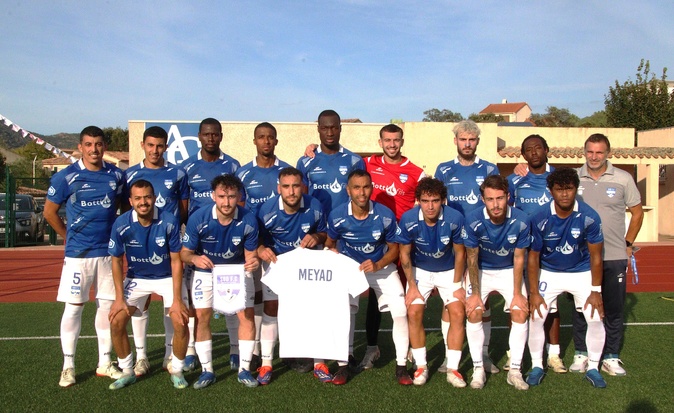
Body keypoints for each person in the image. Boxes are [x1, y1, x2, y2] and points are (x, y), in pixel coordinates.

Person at [44, 126, 125, 387]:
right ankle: (68, 366)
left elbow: (121, 208)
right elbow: (49, 212)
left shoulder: (116, 175)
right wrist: (67, 236)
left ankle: (105, 362)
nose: (94, 149)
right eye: (88, 144)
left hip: (108, 253)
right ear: (80, 147)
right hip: (78, 255)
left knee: (107, 307)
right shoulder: (66, 177)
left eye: (98, 144)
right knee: (74, 307)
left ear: (104, 147)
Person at [325, 170, 412, 386]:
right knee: (343, 311)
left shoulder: (384, 214)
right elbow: (329, 243)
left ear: (372, 188)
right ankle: (344, 364)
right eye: (356, 187)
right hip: (350, 269)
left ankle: (401, 366)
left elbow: (394, 249)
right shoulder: (337, 215)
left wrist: (378, 264)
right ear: (348, 190)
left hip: (380, 266)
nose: (362, 193)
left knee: (400, 310)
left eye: (366, 187)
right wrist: (331, 253)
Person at [526, 168, 607, 388]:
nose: (564, 194)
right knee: (537, 316)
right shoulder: (539, 217)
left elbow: (596, 256)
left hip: (580, 271)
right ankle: (537, 365)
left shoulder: (589, 216)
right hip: (549, 272)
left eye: (569, 189)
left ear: (576, 189)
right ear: (550, 191)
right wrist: (533, 292)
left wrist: (596, 291)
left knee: (595, 316)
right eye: (559, 189)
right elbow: (533, 257)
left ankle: (593, 368)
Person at [570, 134, 643, 376]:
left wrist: (628, 243)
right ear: (584, 152)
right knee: (582, 308)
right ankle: (581, 353)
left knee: (613, 308)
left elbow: (637, 212)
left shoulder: (623, 178)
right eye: (590, 151)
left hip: (613, 255)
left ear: (608, 153)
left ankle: (611, 356)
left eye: (599, 152)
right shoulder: (574, 177)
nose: (594, 157)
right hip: (582, 258)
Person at [107, 180, 189, 390]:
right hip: (137, 278)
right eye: (138, 198)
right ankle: (127, 371)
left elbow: (176, 260)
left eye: (147, 197)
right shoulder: (121, 223)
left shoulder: (169, 221)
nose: (143, 202)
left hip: (167, 277)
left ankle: (177, 370)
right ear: (130, 201)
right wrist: (119, 299)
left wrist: (177, 300)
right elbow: (116, 261)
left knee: (180, 320)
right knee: (116, 321)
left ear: (154, 198)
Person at [181, 174, 260, 389]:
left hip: (236, 271)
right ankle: (207, 370)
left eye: (232, 196)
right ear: (213, 196)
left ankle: (244, 369)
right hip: (206, 273)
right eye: (222, 196)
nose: (226, 202)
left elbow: (251, 255)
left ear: (239, 196)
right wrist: (195, 258)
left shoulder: (248, 220)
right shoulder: (198, 218)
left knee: (246, 316)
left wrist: (253, 262)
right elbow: (185, 253)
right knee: (202, 317)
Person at [433, 120, 501, 373]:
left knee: (482, 300)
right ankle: (449, 355)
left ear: (477, 142)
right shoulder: (444, 169)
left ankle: (484, 354)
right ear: (456, 141)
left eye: (472, 139)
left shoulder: (490, 168)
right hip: (453, 243)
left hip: (482, 242)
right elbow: (438, 204)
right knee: (451, 300)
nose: (467, 144)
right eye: (463, 139)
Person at [122, 126, 189, 376]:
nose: (155, 150)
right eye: (150, 145)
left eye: (160, 145)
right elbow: (127, 210)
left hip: (169, 248)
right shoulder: (130, 174)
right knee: (142, 302)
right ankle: (141, 357)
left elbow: (183, 209)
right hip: (141, 248)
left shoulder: (178, 173)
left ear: (166, 147)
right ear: (143, 145)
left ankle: (169, 354)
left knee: (172, 306)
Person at [359, 124, 426, 371]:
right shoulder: (367, 163)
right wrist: (312, 149)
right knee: (374, 299)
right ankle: (372, 347)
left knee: (406, 297)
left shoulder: (416, 172)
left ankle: (408, 347)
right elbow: (339, 158)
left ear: (402, 141)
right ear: (380, 142)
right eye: (387, 140)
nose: (391, 144)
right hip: (374, 242)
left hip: (403, 244)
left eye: (396, 140)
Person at [180, 117, 242, 372]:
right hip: (199, 243)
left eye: (215, 134)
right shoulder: (186, 167)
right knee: (196, 304)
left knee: (232, 301)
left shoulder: (233, 165)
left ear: (221, 136)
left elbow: (240, 202)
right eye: (206, 134)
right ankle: (191, 350)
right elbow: (184, 207)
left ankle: (235, 350)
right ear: (199, 136)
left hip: (228, 242)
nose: (211, 138)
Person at [256, 167, 327, 384]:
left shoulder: (315, 206)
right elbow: (255, 239)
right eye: (286, 186)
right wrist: (260, 249)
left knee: (313, 309)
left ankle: (319, 362)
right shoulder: (266, 210)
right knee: (271, 308)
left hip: (307, 265)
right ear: (279, 189)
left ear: (302, 187)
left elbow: (325, 233)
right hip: (277, 264)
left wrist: (317, 237)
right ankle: (266, 363)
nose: (292, 191)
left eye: (296, 186)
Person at [463, 175, 531, 390]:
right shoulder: (472, 219)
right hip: (481, 269)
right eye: (490, 199)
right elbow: (471, 258)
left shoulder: (521, 220)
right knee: (474, 310)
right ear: (483, 199)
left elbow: (519, 258)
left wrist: (518, 293)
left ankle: (515, 370)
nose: (495, 204)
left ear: (508, 197)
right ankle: (478, 368)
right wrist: (475, 294)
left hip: (509, 270)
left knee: (520, 310)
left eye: (500, 198)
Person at [397, 177, 466, 387]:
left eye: (435, 201)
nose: (430, 206)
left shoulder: (455, 218)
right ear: (418, 200)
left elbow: (460, 253)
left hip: (448, 270)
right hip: (420, 270)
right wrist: (412, 286)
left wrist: (457, 285)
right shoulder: (408, 219)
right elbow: (404, 253)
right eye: (425, 201)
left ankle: (453, 368)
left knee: (458, 312)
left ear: (442, 200)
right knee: (414, 311)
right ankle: (421, 366)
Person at [506, 134, 566, 374]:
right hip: (522, 251)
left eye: (538, 148)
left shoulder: (558, 178)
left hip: (550, 252)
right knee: (518, 303)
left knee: (550, 305)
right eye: (528, 149)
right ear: (523, 155)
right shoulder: (514, 180)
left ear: (546, 150)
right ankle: (514, 353)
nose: (534, 152)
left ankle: (553, 354)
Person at [236, 122, 291, 370]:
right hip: (250, 244)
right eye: (261, 137)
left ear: (276, 141)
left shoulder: (285, 171)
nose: (266, 141)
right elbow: (238, 208)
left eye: (270, 137)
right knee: (253, 294)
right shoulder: (243, 173)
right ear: (255, 141)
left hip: (276, 247)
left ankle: (287, 347)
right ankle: (255, 349)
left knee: (277, 298)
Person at [296, 110, 366, 215]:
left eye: (334, 128)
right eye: (325, 128)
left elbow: (362, 194)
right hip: (317, 222)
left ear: (340, 129)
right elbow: (301, 197)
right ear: (318, 129)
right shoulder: (305, 161)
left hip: (345, 222)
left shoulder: (355, 160)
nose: (330, 133)